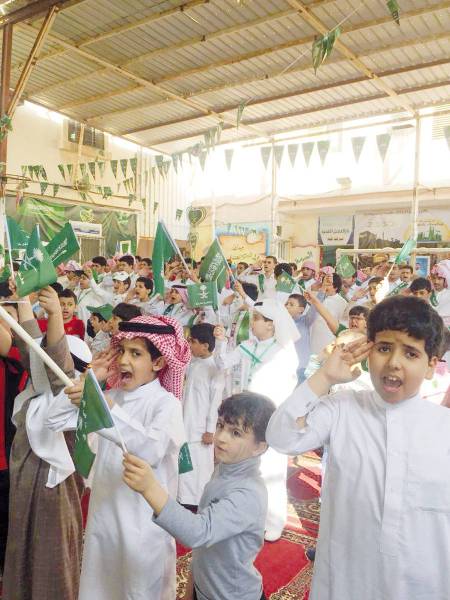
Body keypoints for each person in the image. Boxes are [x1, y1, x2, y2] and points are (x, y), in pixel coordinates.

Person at [266, 295, 448, 600]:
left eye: (411, 354)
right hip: (346, 582)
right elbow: (281, 437)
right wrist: (324, 376)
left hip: (422, 584)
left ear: (431, 366)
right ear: (368, 351)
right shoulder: (342, 408)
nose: (393, 363)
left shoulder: (444, 427)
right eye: (384, 348)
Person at [53, 314, 191, 600]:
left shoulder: (167, 404)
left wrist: (106, 409)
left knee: (136, 590)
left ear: (159, 362)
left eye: (136, 353)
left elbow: (149, 449)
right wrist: (91, 377)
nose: (124, 360)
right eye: (123, 351)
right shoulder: (110, 393)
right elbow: (53, 419)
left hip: (142, 524)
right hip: (104, 517)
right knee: (98, 587)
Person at [123, 391, 276, 600]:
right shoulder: (226, 469)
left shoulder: (248, 493)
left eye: (236, 433)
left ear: (260, 447)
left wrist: (150, 487)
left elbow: (198, 532)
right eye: (221, 425)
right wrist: (191, 591)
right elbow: (205, 544)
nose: (221, 438)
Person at [3, 286, 89, 600]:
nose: (34, 366)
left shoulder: (69, 405)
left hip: (53, 499)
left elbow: (58, 370)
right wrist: (22, 301)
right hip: (26, 496)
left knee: (50, 561)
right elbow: (31, 350)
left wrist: (53, 315)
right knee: (22, 556)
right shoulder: (34, 400)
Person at [214, 299, 299, 541]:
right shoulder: (246, 345)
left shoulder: (282, 352)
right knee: (239, 466)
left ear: (271, 325)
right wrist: (221, 342)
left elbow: (286, 386)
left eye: (257, 318)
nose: (252, 323)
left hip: (268, 417)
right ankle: (240, 514)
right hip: (242, 417)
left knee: (270, 469)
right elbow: (222, 363)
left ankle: (273, 521)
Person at [178, 323, 225, 508]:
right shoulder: (195, 362)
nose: (189, 344)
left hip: (200, 429)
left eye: (193, 341)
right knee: (186, 466)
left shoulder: (215, 368)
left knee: (199, 468)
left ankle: (198, 502)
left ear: (205, 345)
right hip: (187, 421)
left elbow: (215, 403)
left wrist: (209, 429)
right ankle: (183, 499)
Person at [309, 273, 347, 354]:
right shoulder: (316, 297)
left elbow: (341, 324)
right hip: (313, 337)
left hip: (329, 339)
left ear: (336, 287)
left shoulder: (342, 303)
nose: (325, 286)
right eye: (324, 283)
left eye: (329, 284)